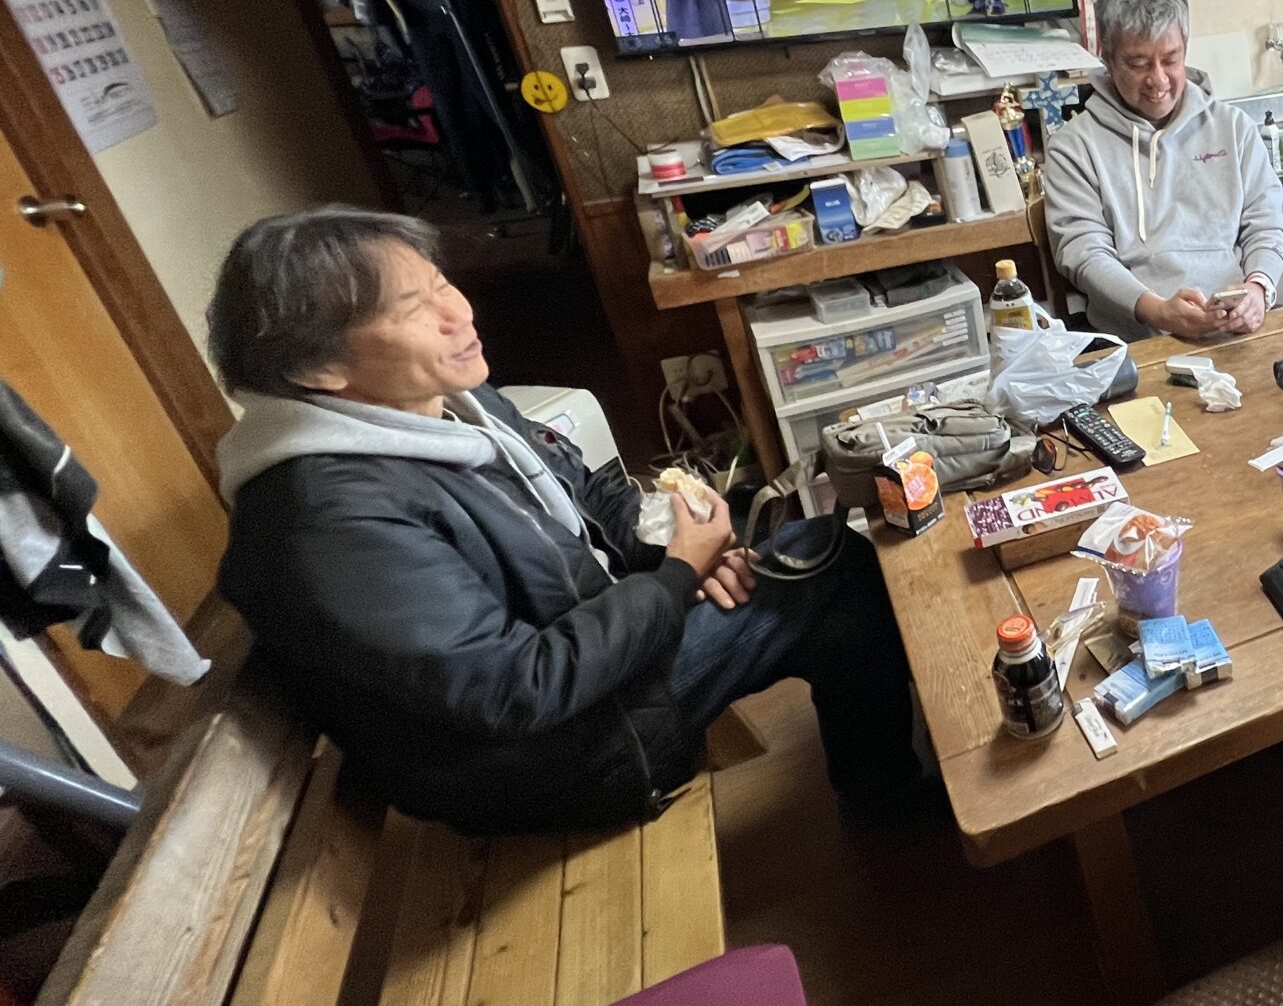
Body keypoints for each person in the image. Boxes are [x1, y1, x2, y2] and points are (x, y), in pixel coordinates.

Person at [209, 207, 925, 837]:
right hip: (552, 758)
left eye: (440, 283)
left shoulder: (449, 402)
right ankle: (885, 800)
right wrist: (678, 575)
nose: (459, 313)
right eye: (411, 309)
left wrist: (679, 547)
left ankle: (879, 791)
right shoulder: (325, 520)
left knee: (811, 559)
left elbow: (589, 491)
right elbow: (518, 689)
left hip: (588, 657)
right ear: (319, 369)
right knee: (833, 570)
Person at [1042, 0, 1283, 343]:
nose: (1158, 80)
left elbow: (1266, 224)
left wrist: (1258, 288)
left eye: (1171, 60)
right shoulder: (1074, 147)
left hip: (1238, 331)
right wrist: (1157, 311)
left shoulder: (1233, 127)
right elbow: (1084, 252)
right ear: (1107, 57)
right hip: (1137, 340)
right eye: (1138, 64)